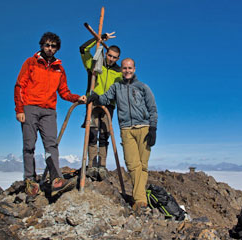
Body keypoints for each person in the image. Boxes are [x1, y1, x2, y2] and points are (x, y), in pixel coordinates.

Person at [14, 32, 86, 202]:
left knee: (51, 145)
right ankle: (30, 181)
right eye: (47, 45)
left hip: (49, 111)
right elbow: (19, 86)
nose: (50, 48)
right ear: (41, 45)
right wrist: (20, 109)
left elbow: (64, 92)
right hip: (30, 108)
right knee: (29, 146)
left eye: (53, 46)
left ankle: (56, 179)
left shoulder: (59, 68)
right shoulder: (31, 62)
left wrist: (77, 98)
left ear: (57, 48)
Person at [87, 58, 158, 211]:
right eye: (124, 68)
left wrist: (153, 129)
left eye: (130, 68)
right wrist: (96, 97)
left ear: (135, 68)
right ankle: (140, 197)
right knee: (132, 165)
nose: (127, 70)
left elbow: (152, 109)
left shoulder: (143, 87)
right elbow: (105, 98)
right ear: (122, 70)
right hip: (126, 129)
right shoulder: (116, 87)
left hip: (144, 128)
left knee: (143, 165)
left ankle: (139, 199)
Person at [80, 32, 122, 180]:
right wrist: (99, 39)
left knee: (104, 135)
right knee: (92, 134)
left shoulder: (119, 73)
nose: (110, 59)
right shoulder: (95, 62)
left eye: (114, 57)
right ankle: (91, 165)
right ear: (106, 53)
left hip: (108, 106)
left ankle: (102, 166)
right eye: (109, 55)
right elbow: (83, 49)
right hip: (92, 103)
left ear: (118, 58)